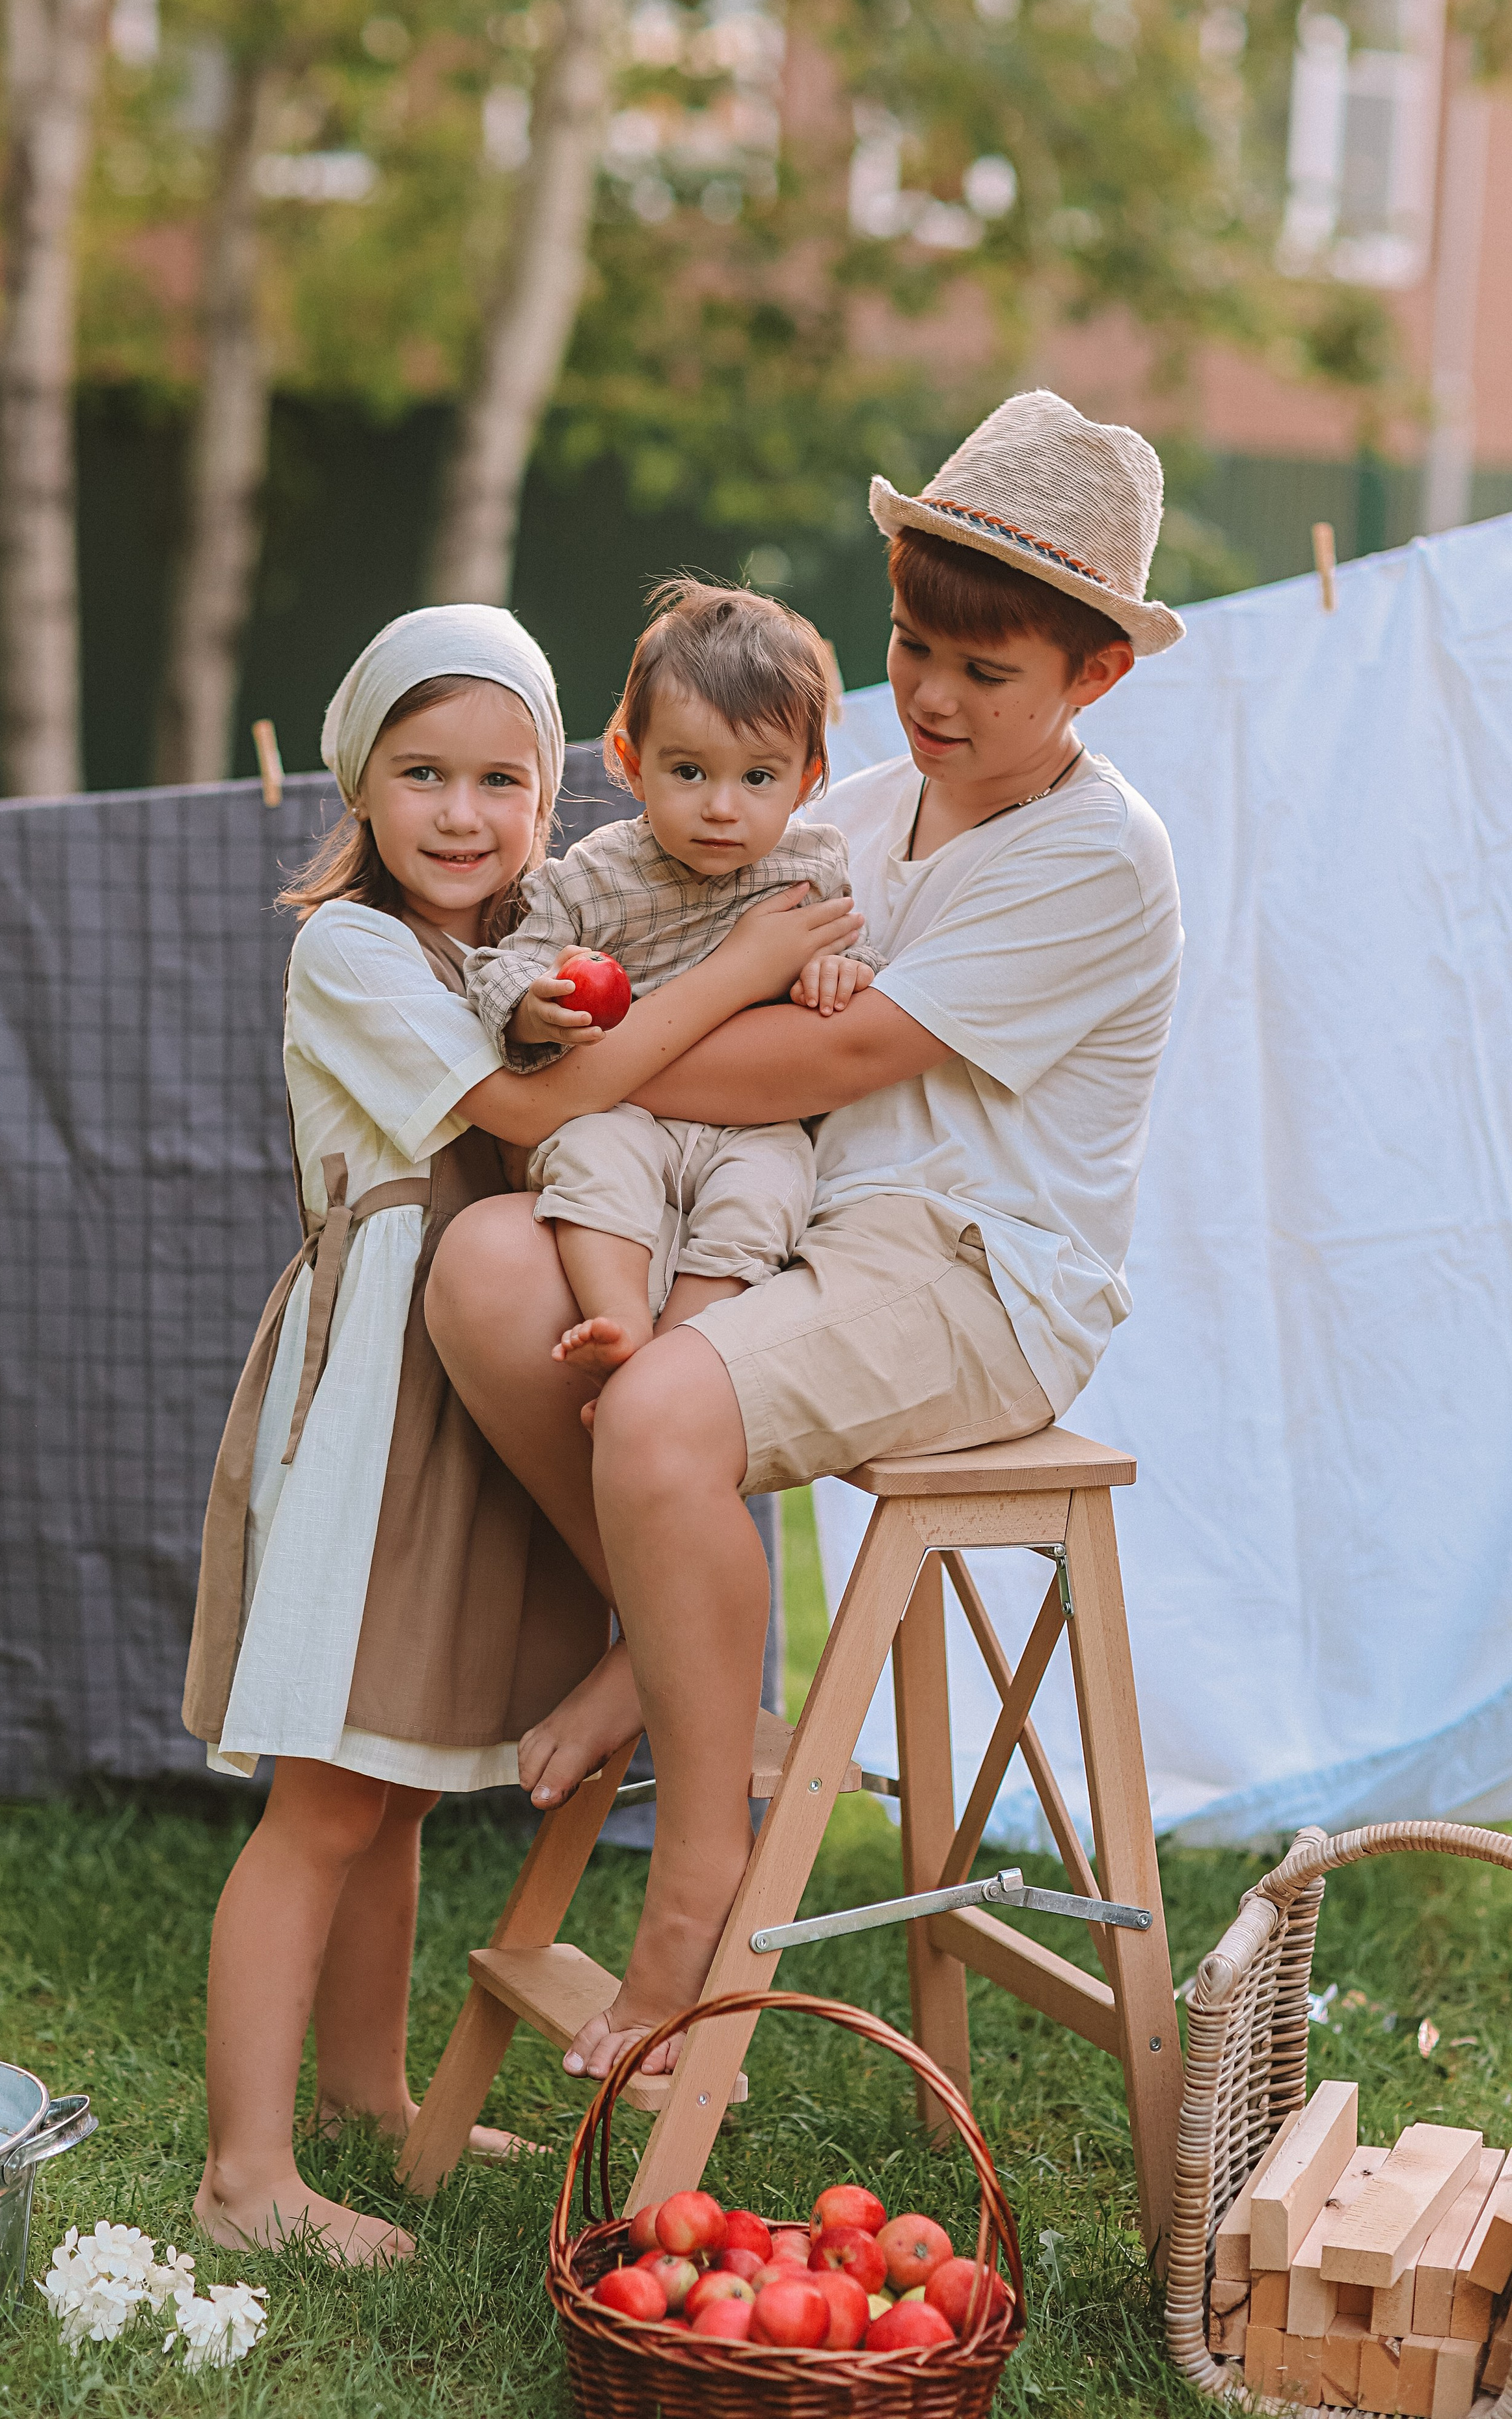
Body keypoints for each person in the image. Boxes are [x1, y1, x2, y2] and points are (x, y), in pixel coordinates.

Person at [426, 388, 1188, 2080]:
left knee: (665, 1403)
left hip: (975, 1275)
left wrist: (622, 1058)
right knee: (480, 1265)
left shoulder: (1096, 859)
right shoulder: (850, 815)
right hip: (785, 1223)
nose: (924, 694)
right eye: (911, 644)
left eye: (982, 674)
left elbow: (828, 1054)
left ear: (1095, 675)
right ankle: (660, 1641)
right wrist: (639, 1025)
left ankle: (696, 1887)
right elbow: (710, 1012)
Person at [180, 603, 861, 2262]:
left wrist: (757, 965)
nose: (463, 814)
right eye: (423, 775)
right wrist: (756, 964)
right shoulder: (353, 951)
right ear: (361, 785)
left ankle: (357, 2097)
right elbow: (541, 1114)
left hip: (471, 1389)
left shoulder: (538, 955)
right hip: (372, 1409)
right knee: (324, 1795)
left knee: (396, 1783)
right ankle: (242, 2175)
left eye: (499, 779)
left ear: (552, 798)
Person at [463, 582, 882, 1383]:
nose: (722, 808)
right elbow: (506, 962)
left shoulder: (812, 868)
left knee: (772, 1194)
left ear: (808, 777)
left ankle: (678, 1357)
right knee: (592, 1159)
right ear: (629, 761)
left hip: (748, 1125)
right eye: (688, 771)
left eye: (758, 778)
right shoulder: (594, 876)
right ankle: (616, 1317)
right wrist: (530, 1006)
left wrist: (839, 972)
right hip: (620, 1108)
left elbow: (858, 961)